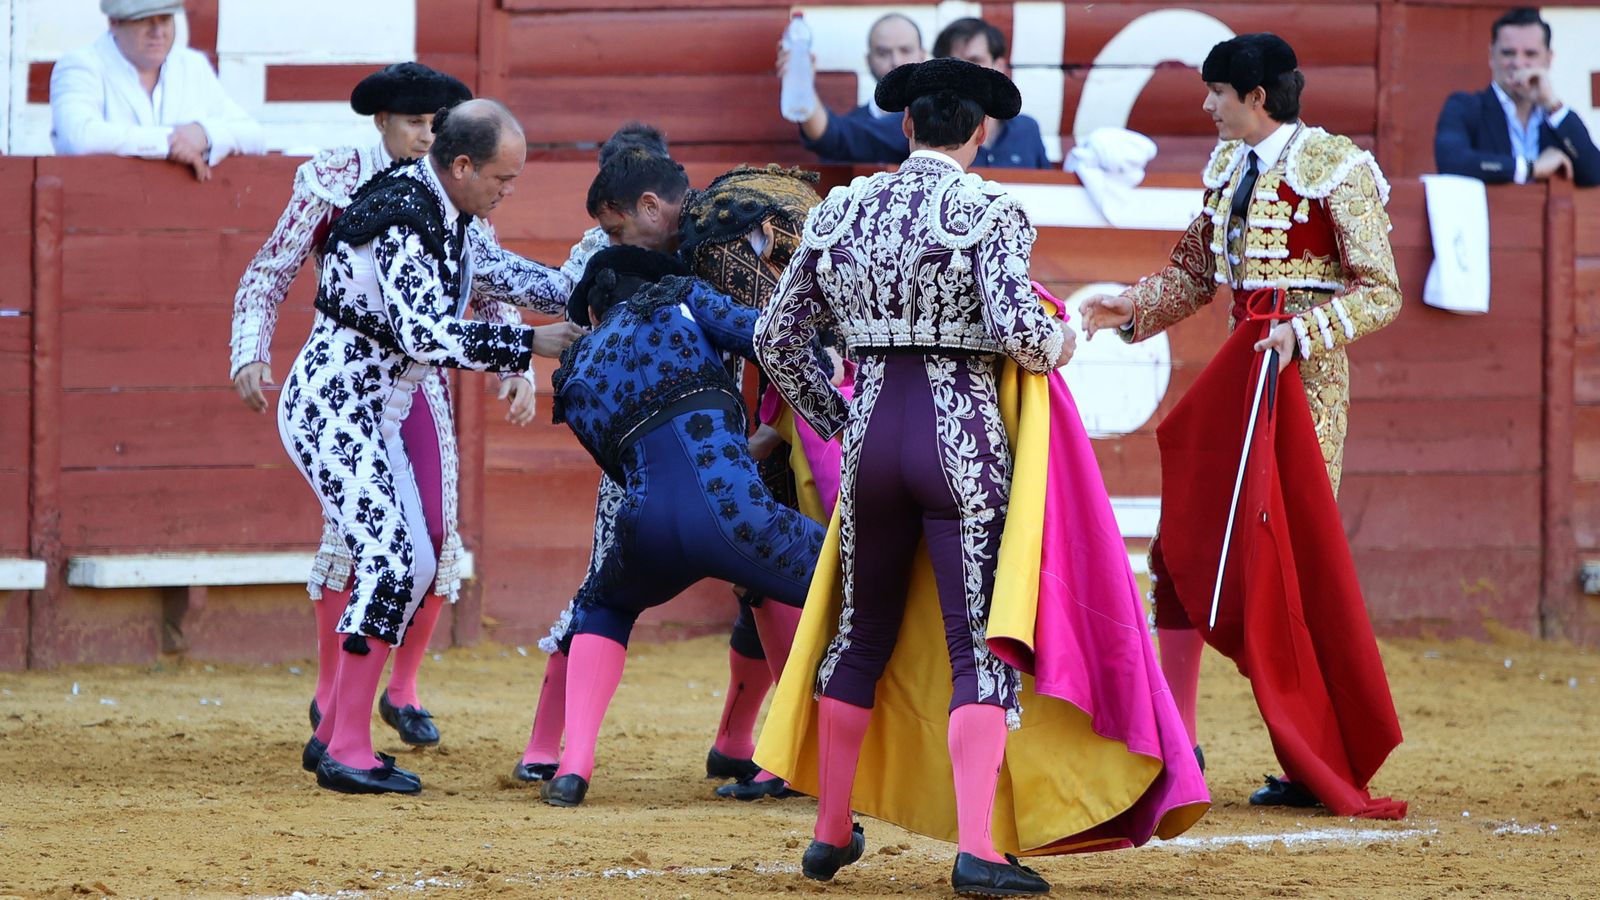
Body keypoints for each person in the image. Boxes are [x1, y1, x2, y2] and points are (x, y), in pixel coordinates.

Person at [755, 58, 1075, 895]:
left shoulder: (842, 210)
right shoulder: (990, 210)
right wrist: (1068, 336)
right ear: (981, 132)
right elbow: (1021, 333)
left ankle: (829, 832)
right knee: (977, 641)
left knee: (861, 632)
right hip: (959, 438)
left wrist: (834, 417)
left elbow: (776, 338)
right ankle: (976, 848)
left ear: (905, 127)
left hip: (870, 445)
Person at [1079, 33, 1408, 817]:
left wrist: (1305, 331)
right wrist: (1130, 307)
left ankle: (1315, 757)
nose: (1205, 105)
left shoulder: (1339, 168)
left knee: (1289, 570)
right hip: (1242, 375)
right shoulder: (1228, 170)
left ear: (1254, 96)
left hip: (1302, 388)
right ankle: (1176, 744)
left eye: (1215, 93)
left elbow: (1382, 290)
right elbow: (1196, 275)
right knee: (1186, 543)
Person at [230, 65, 566, 753]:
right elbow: (420, 328)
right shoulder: (390, 200)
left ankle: (368, 715)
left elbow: (495, 274)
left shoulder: (447, 203)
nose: (425, 132)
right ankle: (339, 724)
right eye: (502, 181)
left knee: (420, 550)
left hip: (401, 390)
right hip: (343, 396)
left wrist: (604, 292)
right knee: (382, 553)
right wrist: (527, 343)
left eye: (432, 121)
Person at [538, 246, 826, 808]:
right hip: (737, 514)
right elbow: (770, 337)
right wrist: (828, 375)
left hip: (647, 528)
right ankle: (820, 758)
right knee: (855, 583)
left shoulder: (574, 375)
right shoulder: (682, 298)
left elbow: (619, 468)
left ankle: (573, 767)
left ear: (593, 314)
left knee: (604, 605)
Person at [50, 0, 264, 181]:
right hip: (103, 210)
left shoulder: (192, 65)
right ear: (114, 23)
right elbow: (78, 138)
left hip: (183, 216)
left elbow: (255, 136)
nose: (158, 32)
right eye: (144, 20)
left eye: (165, 19)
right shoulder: (80, 65)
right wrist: (169, 142)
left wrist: (205, 134)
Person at [1435, 7, 1600, 187]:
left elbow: (1595, 173)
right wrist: (1530, 167)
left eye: (1530, 54)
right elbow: (1451, 162)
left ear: (1548, 59)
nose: (1518, 63)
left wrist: (1552, 104)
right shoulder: (1465, 107)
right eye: (1508, 53)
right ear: (1491, 56)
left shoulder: (1556, 119)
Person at [783, 12, 926, 164]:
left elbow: (833, 137)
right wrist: (800, 77)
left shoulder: (935, 117)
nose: (896, 61)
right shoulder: (852, 123)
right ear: (868, 60)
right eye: (883, 53)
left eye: (905, 50)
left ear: (923, 55)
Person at [931, 18, 1052, 169]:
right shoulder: (921, 131)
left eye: (975, 61)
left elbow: (1049, 189)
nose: (964, 72)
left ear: (999, 66)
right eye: (954, 63)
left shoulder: (1027, 129)